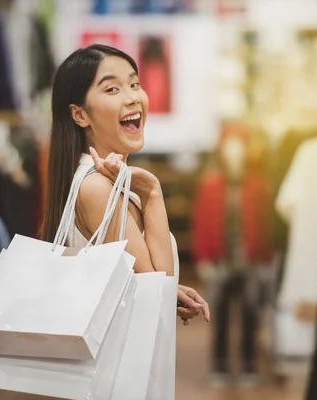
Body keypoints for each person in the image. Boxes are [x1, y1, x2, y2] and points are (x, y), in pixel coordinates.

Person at [39, 44, 210, 326]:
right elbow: (157, 297)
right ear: (79, 114)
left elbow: (145, 282)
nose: (133, 98)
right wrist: (153, 193)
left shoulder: (108, 182)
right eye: (112, 89)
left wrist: (170, 290)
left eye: (134, 84)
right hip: (114, 365)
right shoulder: (96, 187)